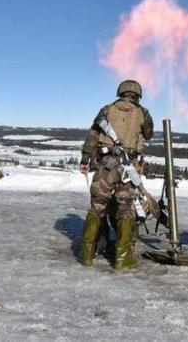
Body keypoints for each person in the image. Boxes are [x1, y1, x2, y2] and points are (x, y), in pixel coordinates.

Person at [78, 79, 154, 270]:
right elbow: (149, 133)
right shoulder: (143, 113)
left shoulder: (106, 110)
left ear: (121, 92)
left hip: (105, 165)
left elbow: (93, 136)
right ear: (137, 94)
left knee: (97, 206)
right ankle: (122, 258)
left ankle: (86, 254)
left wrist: (85, 159)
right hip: (127, 169)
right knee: (125, 209)